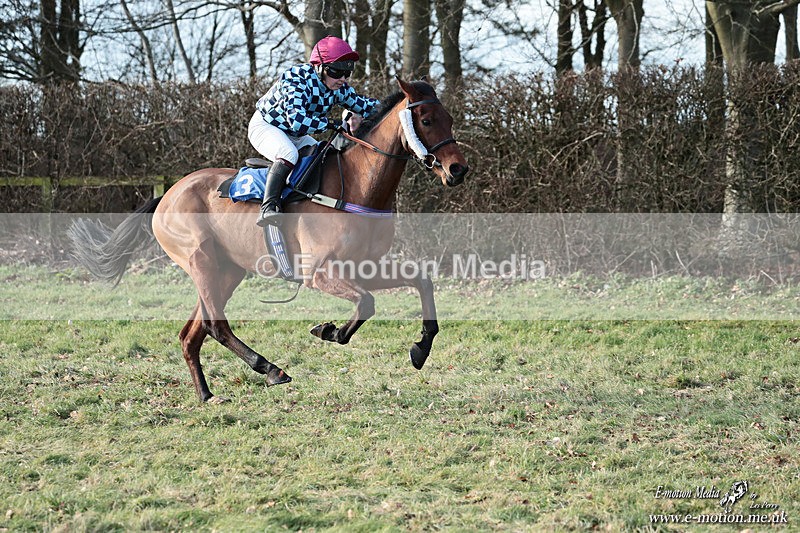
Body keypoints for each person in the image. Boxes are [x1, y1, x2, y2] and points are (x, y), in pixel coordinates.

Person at [248, 36, 380, 227]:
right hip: (266, 126)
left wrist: (396, 107)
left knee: (323, 156)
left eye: (347, 73)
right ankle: (268, 207)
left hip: (294, 134)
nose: (342, 79)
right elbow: (297, 122)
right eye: (336, 72)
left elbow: (366, 106)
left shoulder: (338, 87)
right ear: (320, 67)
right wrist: (328, 123)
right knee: (288, 154)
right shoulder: (296, 79)